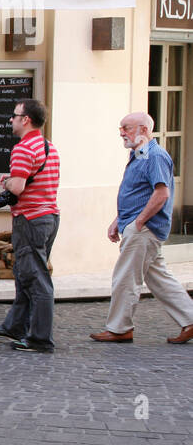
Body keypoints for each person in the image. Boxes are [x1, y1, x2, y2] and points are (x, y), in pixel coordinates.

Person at [90, 112, 193, 344]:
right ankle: (191, 319)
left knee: (125, 277)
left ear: (144, 129)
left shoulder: (154, 156)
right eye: (121, 128)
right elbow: (138, 192)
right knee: (159, 278)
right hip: (140, 226)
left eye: (126, 128)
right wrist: (119, 220)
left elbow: (161, 193)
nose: (121, 133)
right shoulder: (141, 154)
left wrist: (138, 222)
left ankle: (119, 328)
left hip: (144, 229)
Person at [0, 99, 61, 352]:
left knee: (36, 279)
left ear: (26, 119)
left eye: (14, 115)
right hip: (49, 217)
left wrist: (7, 181)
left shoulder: (22, 149)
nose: (11, 119)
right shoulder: (49, 147)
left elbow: (18, 187)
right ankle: (15, 325)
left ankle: (40, 339)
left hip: (30, 219)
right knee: (25, 274)